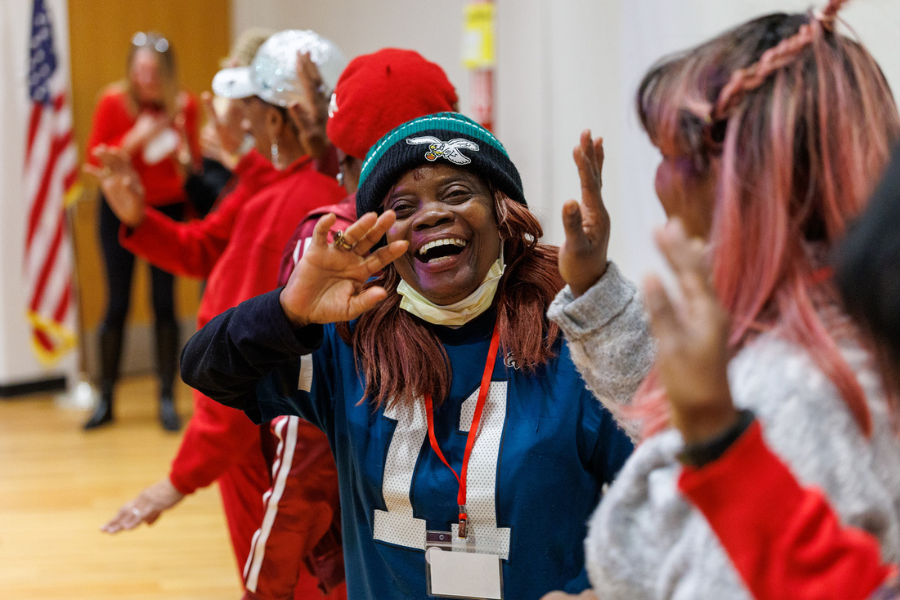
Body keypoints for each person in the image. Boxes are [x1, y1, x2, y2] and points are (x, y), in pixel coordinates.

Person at [180, 112, 650, 600]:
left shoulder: (568, 340)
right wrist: (286, 312)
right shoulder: (351, 342)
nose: (430, 215)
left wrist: (608, 591)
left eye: (456, 194)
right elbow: (206, 369)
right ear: (382, 240)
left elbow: (663, 490)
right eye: (402, 206)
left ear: (502, 212)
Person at [546, 2, 900, 598]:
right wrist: (593, 288)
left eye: (664, 155)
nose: (656, 184)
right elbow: (690, 410)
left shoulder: (796, 387)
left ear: (738, 176)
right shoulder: (830, 336)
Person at [87, 30, 348, 599]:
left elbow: (245, 358)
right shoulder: (274, 186)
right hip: (266, 438)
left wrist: (177, 480)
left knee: (287, 579)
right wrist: (141, 216)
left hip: (262, 444)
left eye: (246, 107)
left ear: (279, 119)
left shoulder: (294, 201)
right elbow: (203, 246)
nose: (234, 119)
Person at [248, 48, 462, 600]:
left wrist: (264, 582)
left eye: (345, 161)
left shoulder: (331, 255)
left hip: (367, 553)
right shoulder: (488, 240)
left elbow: (303, 448)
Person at [84, 31, 201, 431]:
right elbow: (95, 162)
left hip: (166, 210)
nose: (145, 78)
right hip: (117, 209)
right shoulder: (112, 102)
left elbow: (194, 168)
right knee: (116, 304)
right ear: (130, 72)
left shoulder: (184, 105)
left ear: (166, 73)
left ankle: (167, 399)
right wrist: (136, 138)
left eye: (153, 72)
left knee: (164, 305)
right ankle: (105, 398)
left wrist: (182, 148)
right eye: (140, 71)